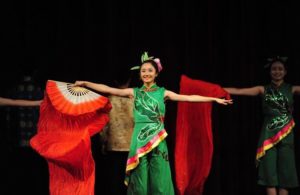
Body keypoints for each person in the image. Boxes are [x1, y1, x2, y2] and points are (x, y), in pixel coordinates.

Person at [75, 51, 233, 195]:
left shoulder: (163, 93)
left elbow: (190, 97)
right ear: (140, 74)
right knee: (140, 181)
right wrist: (86, 83)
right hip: (139, 140)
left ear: (156, 73)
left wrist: (213, 99)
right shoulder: (134, 93)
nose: (146, 73)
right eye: (143, 71)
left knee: (160, 179)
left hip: (158, 140)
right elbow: (109, 89)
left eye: (150, 70)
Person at [224, 56, 299, 195]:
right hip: (268, 136)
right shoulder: (262, 89)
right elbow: (240, 91)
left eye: (280, 69)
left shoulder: (292, 89)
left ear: (285, 72)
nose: (277, 72)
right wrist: (217, 89)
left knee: (286, 176)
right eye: (274, 69)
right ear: (270, 72)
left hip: (287, 134)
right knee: (268, 175)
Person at [97, 71, 134, 195]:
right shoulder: (135, 99)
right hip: (132, 145)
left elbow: (104, 125)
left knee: (114, 179)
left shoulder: (107, 101)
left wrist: (102, 143)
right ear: (129, 81)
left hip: (113, 145)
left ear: (115, 82)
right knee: (131, 180)